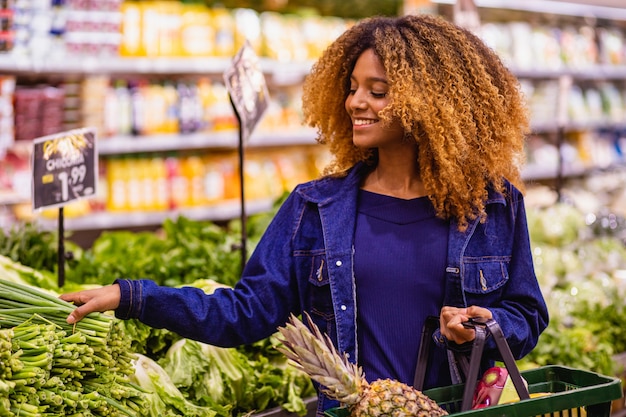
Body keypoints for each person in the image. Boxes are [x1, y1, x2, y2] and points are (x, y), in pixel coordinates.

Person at [61, 13, 549, 416]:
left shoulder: (493, 205)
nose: (356, 102)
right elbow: (243, 314)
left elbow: (527, 312)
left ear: (433, 107)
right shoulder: (315, 208)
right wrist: (133, 296)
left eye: (378, 92)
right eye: (353, 87)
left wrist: (485, 326)